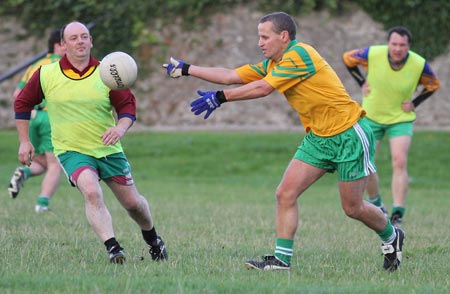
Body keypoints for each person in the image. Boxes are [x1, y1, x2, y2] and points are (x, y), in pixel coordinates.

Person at [163, 12, 404, 271]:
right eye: (259, 37)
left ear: (284, 36)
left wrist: (220, 98)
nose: (260, 43)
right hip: (318, 139)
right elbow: (232, 75)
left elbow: (263, 89)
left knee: (353, 208)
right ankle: (281, 260)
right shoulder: (272, 64)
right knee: (285, 193)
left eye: (265, 37)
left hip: (349, 134)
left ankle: (392, 236)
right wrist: (187, 69)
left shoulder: (300, 55)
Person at [14, 21, 168, 264]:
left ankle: (153, 239)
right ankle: (113, 247)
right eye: (73, 38)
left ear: (91, 41)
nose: (80, 41)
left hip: (108, 150)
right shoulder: (46, 74)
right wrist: (24, 141)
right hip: (71, 150)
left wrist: (120, 127)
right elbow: (22, 103)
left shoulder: (107, 72)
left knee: (133, 203)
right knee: (91, 190)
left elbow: (127, 106)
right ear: (63, 45)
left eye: (84, 37)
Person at [342, 26, 441, 227]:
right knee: (367, 161)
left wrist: (416, 102)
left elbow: (433, 84)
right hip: (371, 116)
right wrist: (361, 81)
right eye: (394, 44)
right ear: (388, 43)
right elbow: (347, 58)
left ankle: (398, 212)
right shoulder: (371, 53)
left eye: (402, 45)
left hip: (400, 118)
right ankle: (377, 203)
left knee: (399, 161)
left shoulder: (419, 64)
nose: (397, 48)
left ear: (408, 46)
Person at [8, 29, 65, 212]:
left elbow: (18, 94)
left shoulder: (37, 65)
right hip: (51, 118)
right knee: (56, 164)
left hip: (32, 118)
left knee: (42, 162)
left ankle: (24, 172)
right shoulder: (63, 66)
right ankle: (42, 204)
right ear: (59, 44)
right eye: (68, 42)